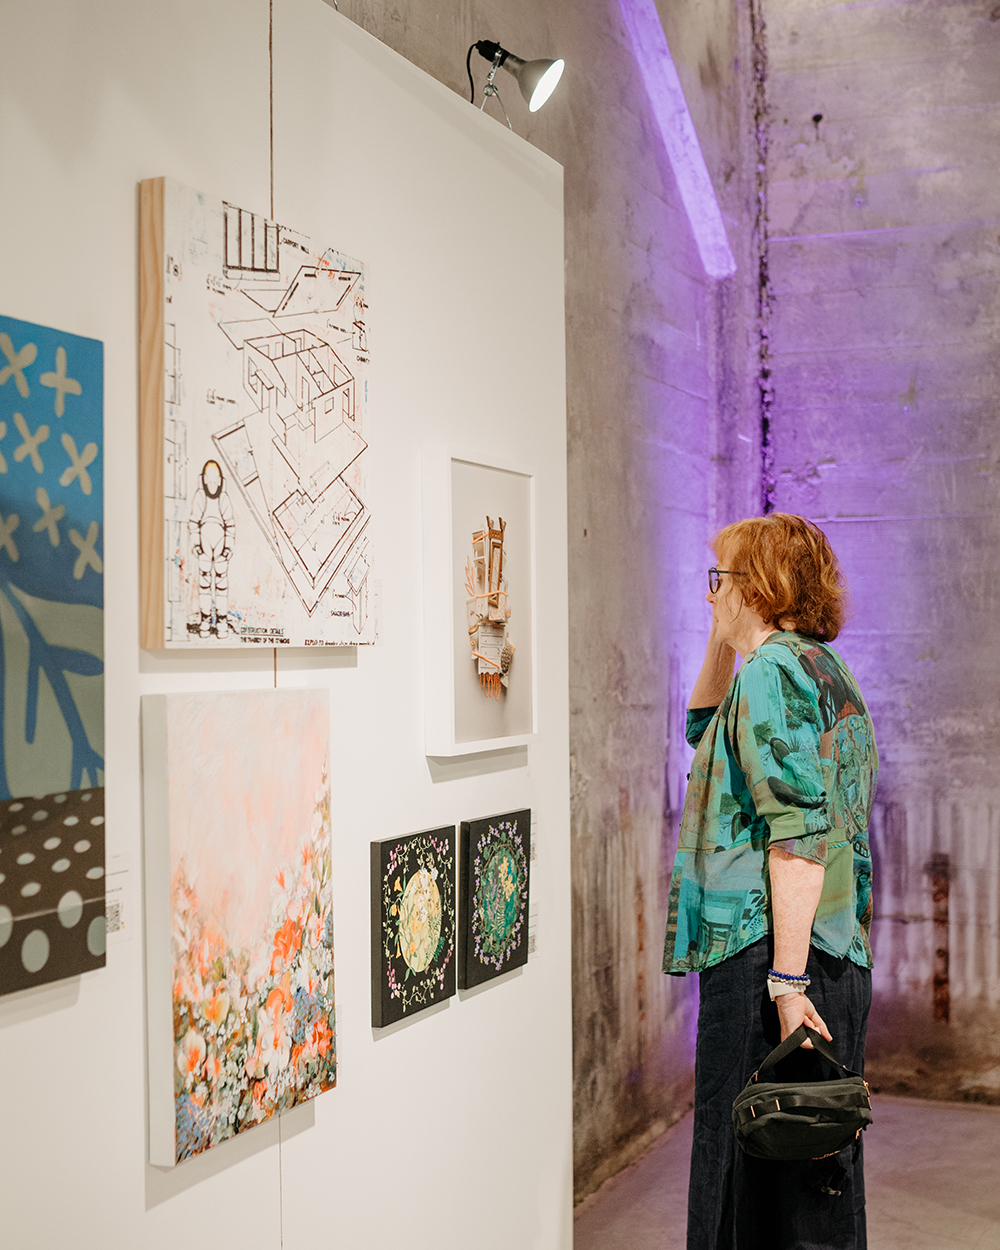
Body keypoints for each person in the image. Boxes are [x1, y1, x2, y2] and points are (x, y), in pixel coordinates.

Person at [662, 513, 878, 1250]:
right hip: (825, 950)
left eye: (719, 579)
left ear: (758, 588)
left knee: (759, 1192)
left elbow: (796, 838)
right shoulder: (813, 665)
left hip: (772, 954)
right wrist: (730, 637)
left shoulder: (774, 674)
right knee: (811, 1181)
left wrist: (787, 987)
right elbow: (703, 727)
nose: (710, 593)